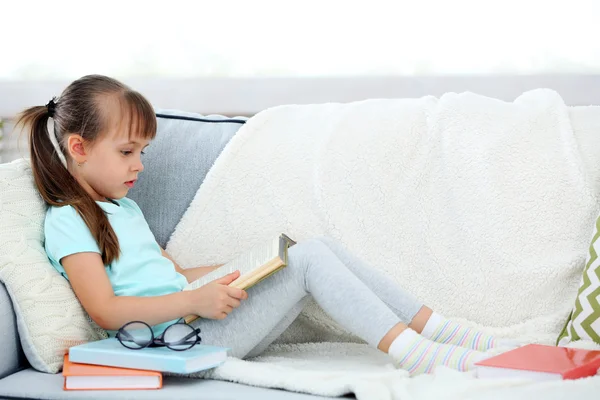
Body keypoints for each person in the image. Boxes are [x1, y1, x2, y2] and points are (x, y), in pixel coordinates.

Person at [17, 75, 511, 376]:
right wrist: (194, 301)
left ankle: (447, 332)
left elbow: (175, 275)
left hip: (193, 320)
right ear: (78, 148)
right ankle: (419, 353)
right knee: (313, 259)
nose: (138, 166)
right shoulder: (68, 220)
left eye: (142, 152)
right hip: (177, 345)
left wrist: (248, 267)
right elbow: (104, 310)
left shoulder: (124, 211)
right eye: (127, 152)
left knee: (309, 249)